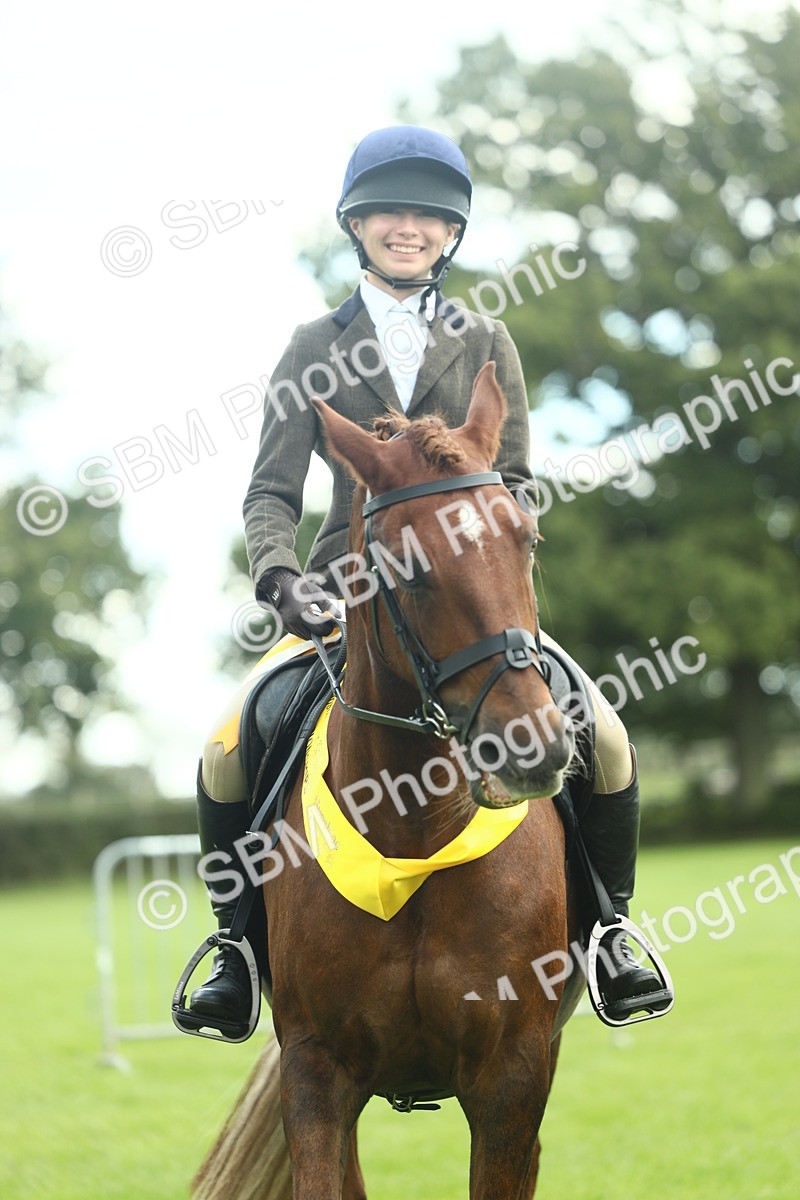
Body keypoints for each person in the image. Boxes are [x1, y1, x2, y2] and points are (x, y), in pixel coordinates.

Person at [187, 125, 674, 1027]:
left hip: (473, 604)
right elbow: (269, 491)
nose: (407, 228)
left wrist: (488, 555)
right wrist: (282, 578)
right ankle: (236, 950)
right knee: (226, 746)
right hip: (346, 599)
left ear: (450, 233)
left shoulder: (487, 336)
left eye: (426, 216)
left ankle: (610, 934)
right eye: (388, 213)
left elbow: (517, 481)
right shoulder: (310, 345)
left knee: (604, 740)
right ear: (357, 224)